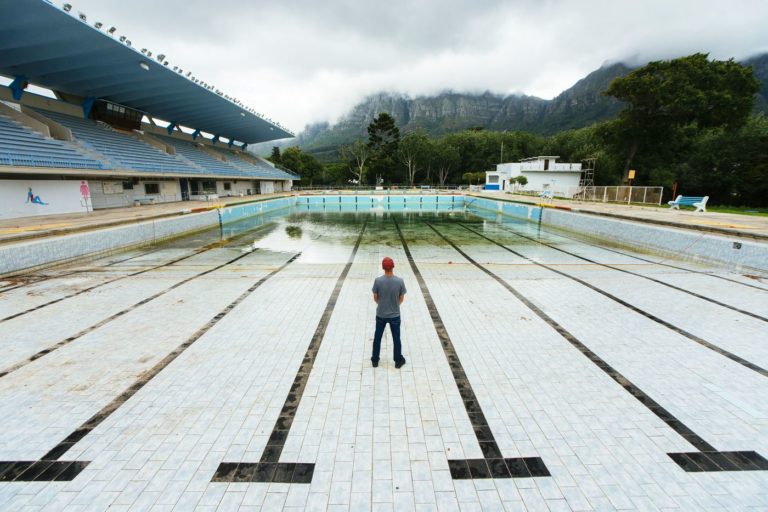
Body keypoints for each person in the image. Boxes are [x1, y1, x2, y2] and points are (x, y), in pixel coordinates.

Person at [371, 257, 407, 368]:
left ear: (383, 267)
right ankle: (398, 361)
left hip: (381, 314)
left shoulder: (378, 281)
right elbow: (401, 298)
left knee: (377, 338)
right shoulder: (400, 281)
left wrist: (382, 305)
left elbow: (375, 297)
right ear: (393, 266)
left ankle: (375, 360)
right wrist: (394, 306)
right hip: (395, 315)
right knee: (396, 338)